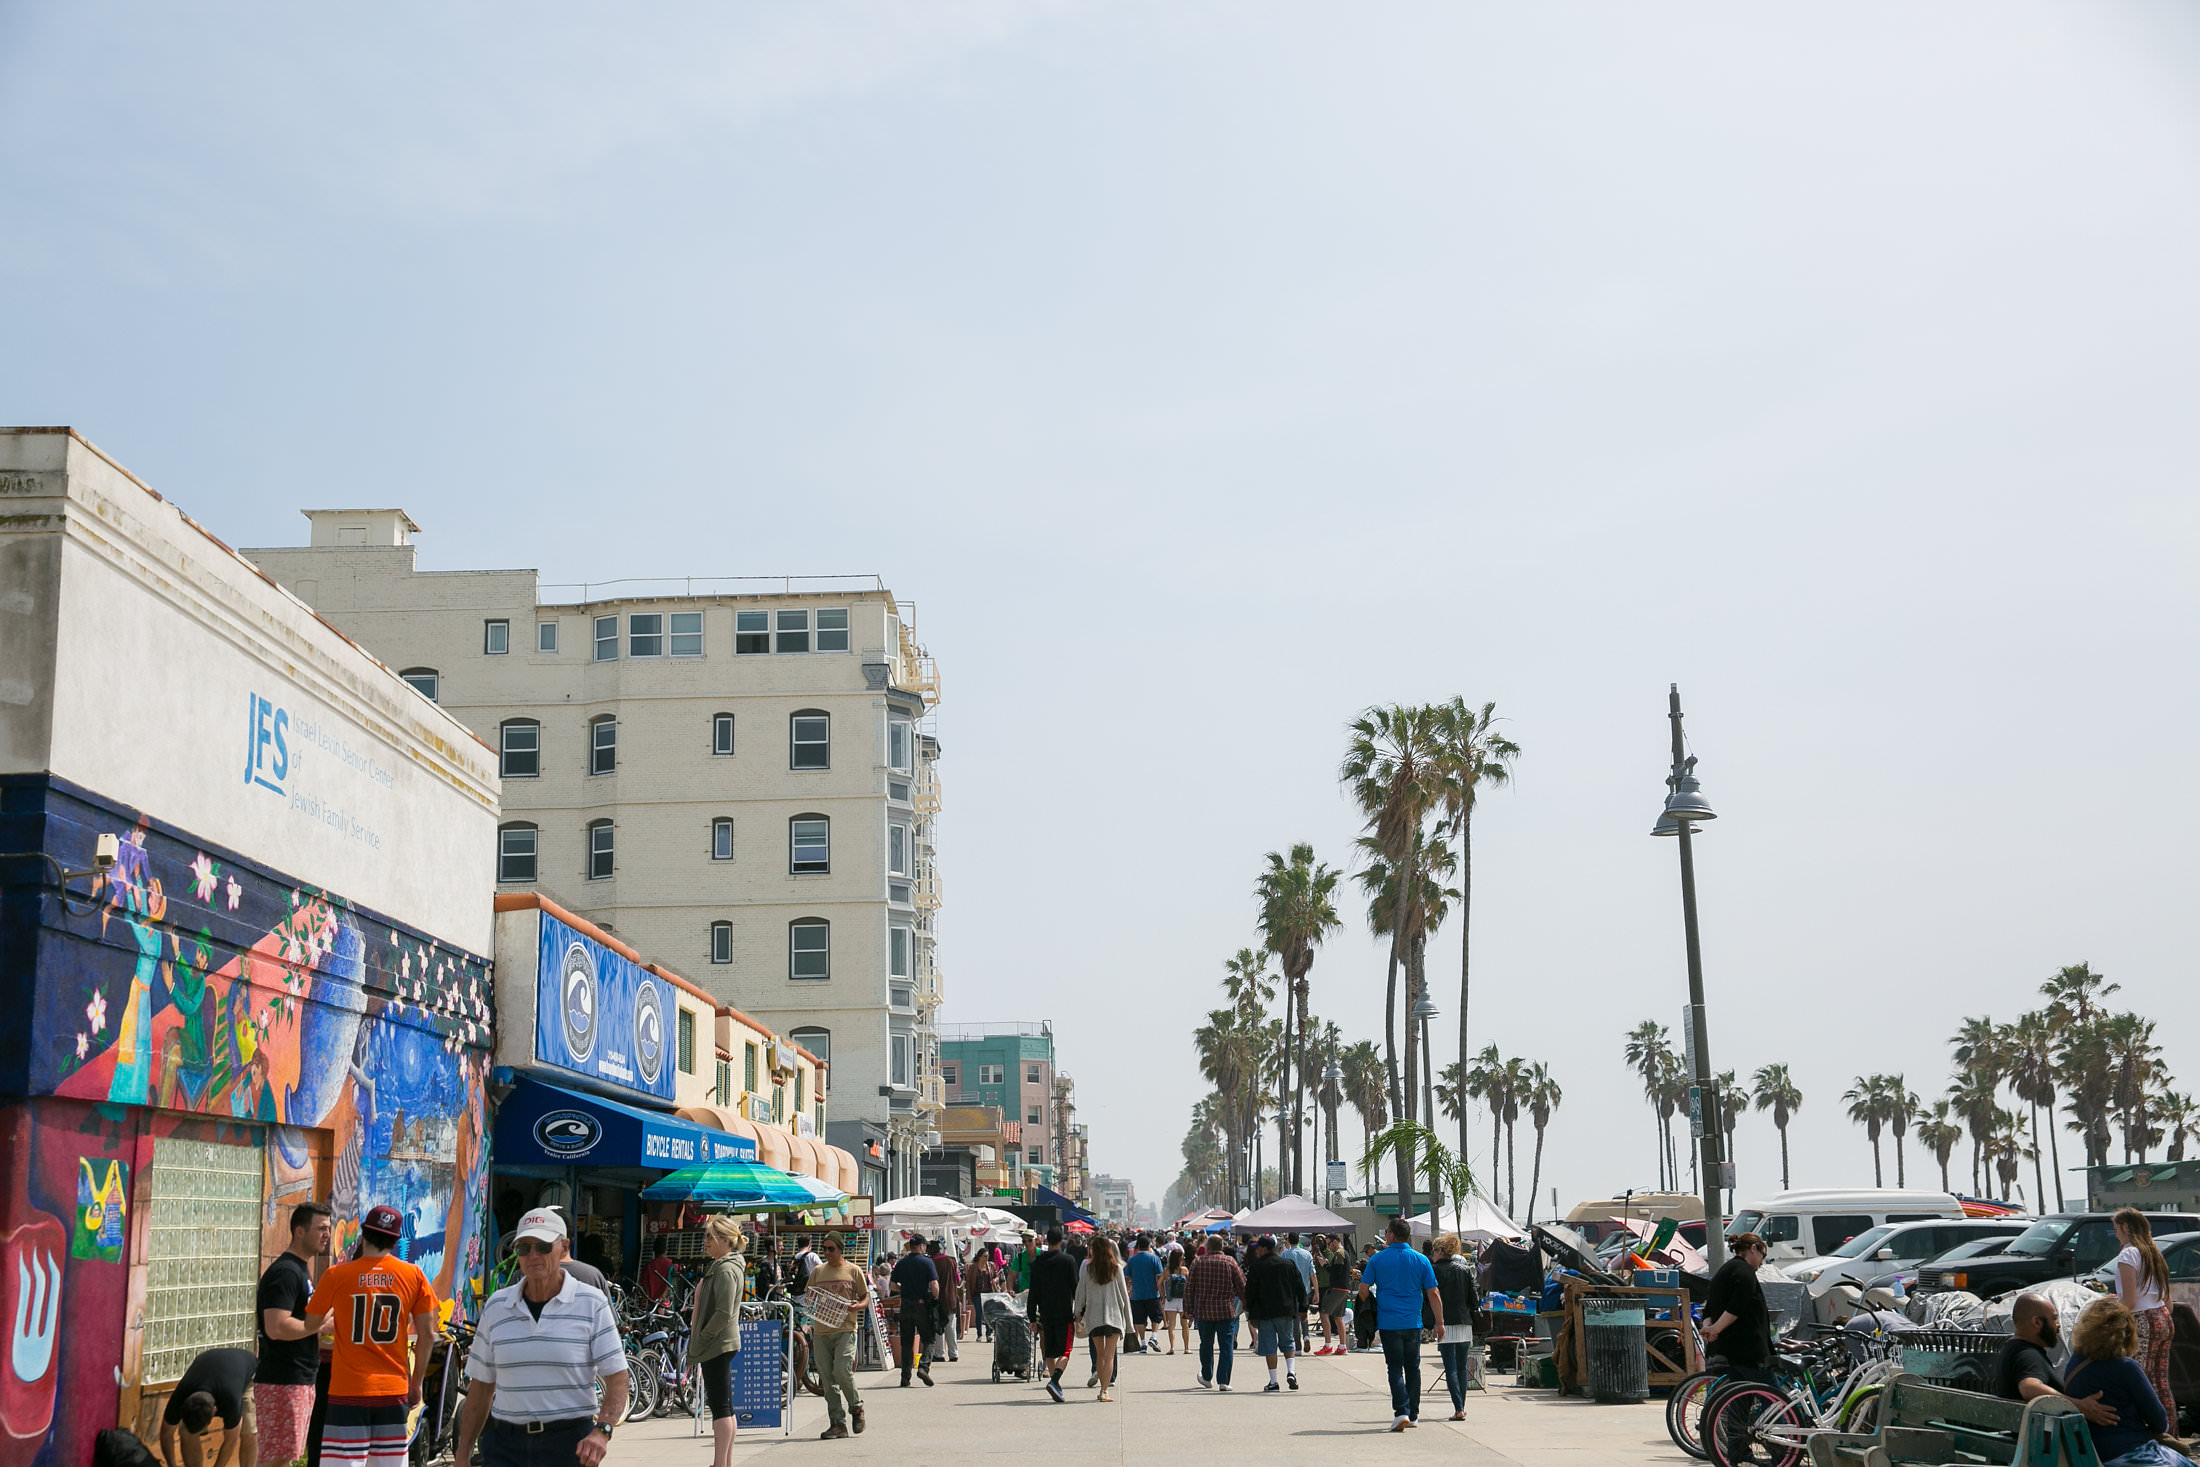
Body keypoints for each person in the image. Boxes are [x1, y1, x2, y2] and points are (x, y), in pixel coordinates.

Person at [453, 1207, 628, 1467]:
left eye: (543, 1247)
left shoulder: (591, 1303)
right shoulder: (497, 1307)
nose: (532, 1255)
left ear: (564, 1247)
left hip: (568, 1445)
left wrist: (602, 1431)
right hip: (504, 1444)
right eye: (524, 1248)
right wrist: (462, 1453)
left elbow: (617, 1377)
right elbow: (481, 1387)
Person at [301, 1205, 439, 1467]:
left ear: (363, 1235)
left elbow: (310, 1323)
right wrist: (416, 1382)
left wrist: (335, 1318)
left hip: (347, 1390)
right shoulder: (414, 1276)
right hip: (393, 1390)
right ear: (396, 1240)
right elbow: (427, 1334)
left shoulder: (335, 1275)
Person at [255, 1201, 332, 1467]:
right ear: (299, 1231)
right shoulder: (286, 1272)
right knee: (275, 1458)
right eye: (321, 1228)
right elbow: (276, 1327)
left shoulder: (301, 1269)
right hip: (282, 1380)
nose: (327, 1235)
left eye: (329, 1228)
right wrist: (318, 1326)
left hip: (298, 1379)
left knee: (284, 1456)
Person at [2066, 1298, 2182, 1467]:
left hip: (2090, 1454)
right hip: (2130, 1453)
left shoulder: (2075, 1362)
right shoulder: (2126, 1367)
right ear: (2126, 1333)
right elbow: (2159, 1421)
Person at [1359, 1216, 1442, 1432]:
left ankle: (1401, 1411)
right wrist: (1439, 1323)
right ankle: (1413, 1415)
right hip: (1413, 1323)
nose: (1385, 1235)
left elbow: (1363, 1290)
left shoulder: (1377, 1259)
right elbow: (1433, 1292)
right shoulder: (1421, 1260)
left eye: (1387, 1232)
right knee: (1413, 1367)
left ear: (1392, 1235)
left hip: (1388, 1323)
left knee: (1394, 1368)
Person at [1993, 1294, 2119, 1424]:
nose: (2058, 1325)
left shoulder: (2011, 1349)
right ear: (2037, 1322)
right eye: (2054, 1319)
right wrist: (2080, 1406)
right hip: (2040, 1442)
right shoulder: (2027, 1354)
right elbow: (2029, 1387)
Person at [2112, 1209, 2178, 1426]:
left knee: (2139, 1381)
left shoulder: (2127, 1254)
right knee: (2160, 1382)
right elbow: (2167, 1299)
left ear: (2126, 1227)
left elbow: (2129, 1300)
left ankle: (2146, 1434)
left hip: (2141, 1320)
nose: (2115, 1235)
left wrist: (2109, 1317)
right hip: (2163, 1316)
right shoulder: (2153, 1252)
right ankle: (2170, 1433)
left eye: (2116, 1229)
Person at [689, 1216, 746, 1467]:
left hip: (717, 1344)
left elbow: (723, 1312)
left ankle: (720, 1463)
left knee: (720, 1406)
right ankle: (724, 1462)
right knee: (725, 1406)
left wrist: (703, 1337)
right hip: (719, 1342)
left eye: (710, 1237)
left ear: (725, 1240)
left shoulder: (725, 1269)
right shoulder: (724, 1266)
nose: (706, 1242)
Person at [805, 1235, 869, 1440]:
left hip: (846, 1329)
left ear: (840, 1249)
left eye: (831, 1248)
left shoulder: (853, 1270)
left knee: (842, 1371)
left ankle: (856, 1408)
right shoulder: (818, 1272)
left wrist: (857, 1306)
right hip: (822, 1330)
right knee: (827, 1378)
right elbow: (809, 1296)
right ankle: (837, 1423)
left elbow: (865, 1297)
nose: (827, 1253)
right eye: (824, 1249)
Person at [158, 1348, 256, 1467]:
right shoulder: (181, 1394)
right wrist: (171, 1465)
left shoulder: (230, 1399)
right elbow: (166, 1434)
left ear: (215, 1410)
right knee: (187, 1432)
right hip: (212, 1367)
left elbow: (231, 1440)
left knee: (248, 1431)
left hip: (248, 1373)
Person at [1074, 1237, 1135, 1403]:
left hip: (1094, 1318)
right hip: (1114, 1318)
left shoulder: (1088, 1269)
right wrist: (1129, 1324)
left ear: (1094, 1250)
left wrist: (1078, 1312)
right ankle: (1104, 1391)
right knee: (1109, 1356)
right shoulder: (1117, 1268)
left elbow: (1081, 1293)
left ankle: (1102, 1388)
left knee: (1100, 1355)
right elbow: (1124, 1296)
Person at [1244, 1235, 1306, 1394]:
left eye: (1258, 1248)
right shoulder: (1288, 1264)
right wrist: (1303, 1308)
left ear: (1264, 1249)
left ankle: (1273, 1382)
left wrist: (1249, 1310)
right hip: (1285, 1311)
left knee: (1269, 1347)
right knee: (1288, 1342)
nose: (1256, 1250)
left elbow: (1250, 1291)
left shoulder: (1257, 1267)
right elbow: (1300, 1287)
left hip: (1265, 1313)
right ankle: (1291, 1372)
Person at [1029, 1227, 1083, 1404]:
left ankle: (1055, 1386)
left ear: (1045, 1241)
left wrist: (1032, 1318)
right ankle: (1054, 1381)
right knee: (1066, 1351)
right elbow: (1075, 1287)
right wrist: (1080, 1311)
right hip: (1064, 1314)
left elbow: (1033, 1293)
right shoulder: (1068, 1261)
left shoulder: (1037, 1263)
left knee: (1050, 1353)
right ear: (1061, 1241)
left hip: (1045, 1314)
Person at [1187, 1237, 1248, 1393]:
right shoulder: (1230, 1262)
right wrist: (1247, 1304)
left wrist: (1188, 1310)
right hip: (1225, 1311)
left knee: (1206, 1345)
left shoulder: (1197, 1262)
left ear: (1207, 1247)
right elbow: (1242, 1285)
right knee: (1226, 1346)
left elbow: (1189, 1288)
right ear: (1222, 1246)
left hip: (1204, 1311)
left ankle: (1207, 1377)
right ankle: (1224, 1381)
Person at [1432, 1232, 1481, 1420]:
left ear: (1441, 1251)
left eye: (1435, 1251)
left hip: (1444, 1322)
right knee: (1461, 1367)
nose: (1432, 1255)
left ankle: (1458, 1407)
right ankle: (1461, 1407)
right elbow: (1474, 1299)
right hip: (1464, 1322)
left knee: (1450, 1366)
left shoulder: (1434, 1270)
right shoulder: (1465, 1270)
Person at [890, 1236, 940, 1387]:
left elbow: (892, 1286)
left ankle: (905, 1377)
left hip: (905, 1305)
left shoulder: (901, 1263)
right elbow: (935, 1286)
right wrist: (934, 1299)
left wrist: (904, 1290)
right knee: (929, 1339)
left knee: (906, 1342)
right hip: (922, 1305)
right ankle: (923, 1367)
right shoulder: (927, 1262)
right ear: (921, 1246)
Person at [1125, 1236, 1166, 1354]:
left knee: (1139, 1320)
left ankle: (1142, 1344)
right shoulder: (1154, 1259)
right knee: (1156, 1317)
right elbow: (1159, 1277)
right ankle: (1153, 1336)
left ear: (1137, 1246)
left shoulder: (1131, 1260)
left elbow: (1127, 1278)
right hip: (1152, 1293)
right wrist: (1162, 1293)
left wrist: (1128, 1291)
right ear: (1149, 1246)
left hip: (1137, 1294)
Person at [1316, 1237, 1354, 1356]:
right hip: (1344, 1288)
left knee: (1324, 1313)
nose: (1329, 1247)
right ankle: (1342, 1346)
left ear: (1335, 1242)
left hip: (1337, 1288)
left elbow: (1336, 1271)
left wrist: (1325, 1265)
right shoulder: (1343, 1253)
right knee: (1338, 1316)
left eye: (1329, 1244)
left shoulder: (1339, 1253)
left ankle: (1328, 1345)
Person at [928, 1239, 962, 1363]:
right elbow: (958, 1280)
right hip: (951, 1298)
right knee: (951, 1326)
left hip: (938, 1298)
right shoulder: (952, 1261)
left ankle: (939, 1353)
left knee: (939, 1326)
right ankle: (954, 1353)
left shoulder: (932, 1263)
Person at [1283, 1233, 1317, 1354]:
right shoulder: (1307, 1254)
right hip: (1306, 1290)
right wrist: (1316, 1292)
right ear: (1299, 1240)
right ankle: (1306, 1335)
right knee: (1304, 1315)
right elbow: (1313, 1274)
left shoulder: (1285, 1254)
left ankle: (1297, 1347)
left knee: (1294, 1319)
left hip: (1291, 1291)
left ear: (1289, 1241)